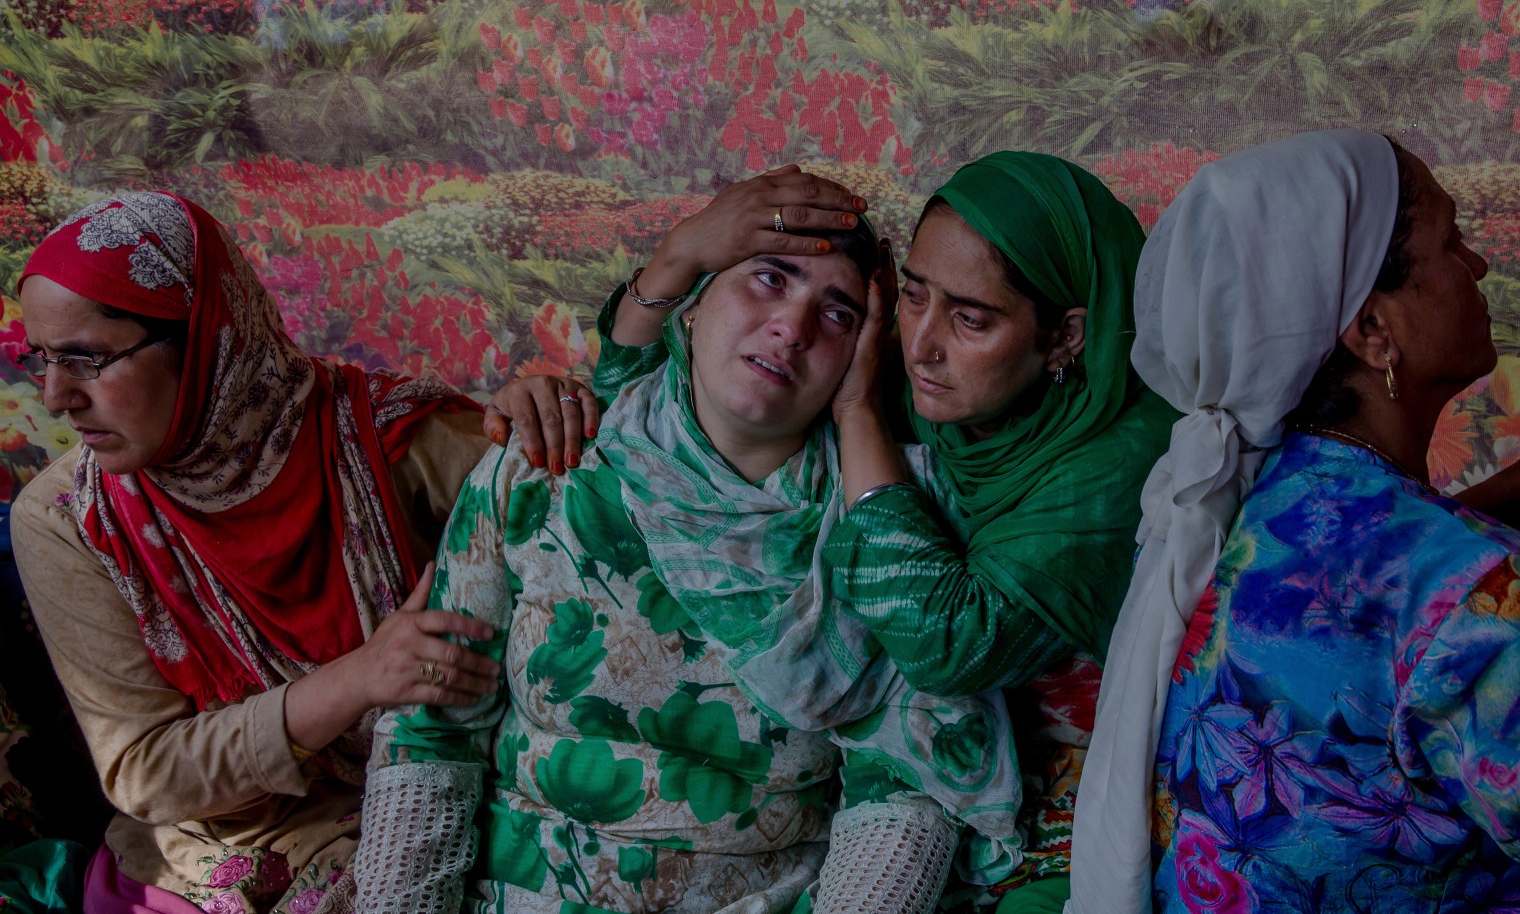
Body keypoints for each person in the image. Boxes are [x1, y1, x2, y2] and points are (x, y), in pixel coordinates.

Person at [499, 154, 1175, 910]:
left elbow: (940, 640)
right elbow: (662, 396)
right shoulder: (924, 375)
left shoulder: (1115, 467)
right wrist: (684, 254)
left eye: (971, 318)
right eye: (913, 297)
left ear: (1065, 337)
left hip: (1058, 803)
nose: (922, 343)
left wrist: (858, 413)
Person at [352, 201, 1023, 913]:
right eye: (769, 279)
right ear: (694, 310)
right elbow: (431, 733)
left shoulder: (879, 526)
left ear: (861, 365)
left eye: (837, 316)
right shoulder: (546, 464)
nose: (790, 328)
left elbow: (904, 796)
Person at [1067, 129, 1520, 912]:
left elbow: (1381, 596)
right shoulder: (1470, 595)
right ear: (1372, 330)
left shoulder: (1241, 503)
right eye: (1451, 242)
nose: (1476, 266)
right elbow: (1437, 605)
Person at [10, 191, 499, 913]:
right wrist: (357, 680)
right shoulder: (69, 522)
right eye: (42, 359)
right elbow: (147, 769)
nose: (55, 398)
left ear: (205, 336)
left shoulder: (387, 439)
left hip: (444, 785)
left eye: (86, 358)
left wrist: (547, 416)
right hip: (233, 840)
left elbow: (578, 508)